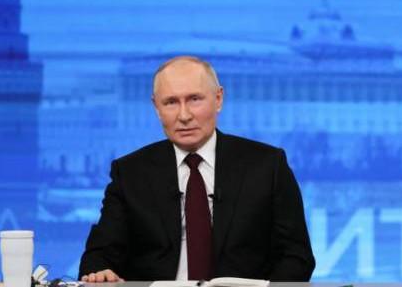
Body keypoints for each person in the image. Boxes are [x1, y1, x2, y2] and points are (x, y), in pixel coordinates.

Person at [79, 56, 315, 282]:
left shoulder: (267, 165)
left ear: (218, 99)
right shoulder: (130, 172)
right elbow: (98, 256)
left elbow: (297, 257)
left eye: (194, 99)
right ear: (156, 107)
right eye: (171, 102)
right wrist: (100, 272)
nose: (184, 116)